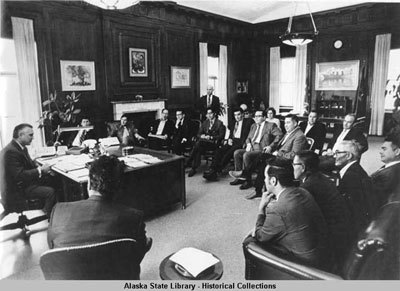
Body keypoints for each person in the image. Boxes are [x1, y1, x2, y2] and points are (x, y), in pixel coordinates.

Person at [47, 155, 152, 264]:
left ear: (89, 184)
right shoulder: (134, 217)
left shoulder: (58, 211)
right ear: (120, 187)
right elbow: (138, 252)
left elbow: (52, 247)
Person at [243, 158, 328, 269]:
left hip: (305, 265)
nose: (264, 180)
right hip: (320, 253)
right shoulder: (303, 191)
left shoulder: (278, 208)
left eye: (265, 177)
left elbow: (261, 237)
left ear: (273, 181)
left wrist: (261, 209)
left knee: (249, 241)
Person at [293, 151, 351, 268]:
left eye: (294, 164)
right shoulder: (319, 178)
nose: (292, 167)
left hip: (329, 240)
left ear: (303, 167)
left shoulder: (308, 186)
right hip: (341, 232)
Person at [247, 114, 308, 199]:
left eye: (288, 123)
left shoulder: (299, 136)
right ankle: (258, 190)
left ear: (295, 123)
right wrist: (270, 147)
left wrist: (278, 154)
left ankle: (247, 174)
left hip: (288, 163)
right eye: (285, 123)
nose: (285, 125)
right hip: (279, 158)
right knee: (262, 162)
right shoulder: (289, 133)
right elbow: (279, 146)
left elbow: (294, 155)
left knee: (262, 158)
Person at [0, 123, 56, 216]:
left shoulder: (19, 147)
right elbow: (19, 175)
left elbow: (25, 165)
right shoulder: (11, 151)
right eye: (30, 135)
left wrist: (36, 165)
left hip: (20, 185)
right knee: (50, 191)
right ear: (20, 135)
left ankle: (53, 213)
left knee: (53, 180)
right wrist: (40, 170)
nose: (33, 138)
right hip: (15, 191)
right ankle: (45, 216)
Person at [229, 110, 282, 190]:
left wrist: (271, 146)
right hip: (251, 147)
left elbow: (280, 135)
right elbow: (248, 138)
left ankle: (248, 180)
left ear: (264, 117)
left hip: (261, 149)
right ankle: (240, 178)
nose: (256, 118)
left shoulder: (271, 125)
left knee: (247, 155)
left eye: (259, 116)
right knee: (237, 152)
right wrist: (248, 143)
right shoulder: (253, 125)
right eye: (255, 116)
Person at [334, 140, 375, 243]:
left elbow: (350, 210)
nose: (335, 156)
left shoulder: (352, 176)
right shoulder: (354, 170)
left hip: (349, 233)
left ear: (348, 156)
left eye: (338, 152)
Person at [203, 108, 254, 181]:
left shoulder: (248, 121)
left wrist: (247, 143)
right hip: (233, 141)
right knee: (219, 151)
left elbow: (251, 133)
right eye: (235, 115)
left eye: (239, 114)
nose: (237, 117)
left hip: (241, 142)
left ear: (242, 114)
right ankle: (212, 168)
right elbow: (231, 133)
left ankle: (216, 171)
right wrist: (229, 139)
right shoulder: (233, 123)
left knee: (229, 153)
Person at [186, 108, 225, 177]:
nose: (209, 115)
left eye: (210, 113)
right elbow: (198, 134)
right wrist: (202, 136)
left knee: (198, 144)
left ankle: (189, 162)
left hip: (214, 144)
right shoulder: (205, 123)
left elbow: (221, 136)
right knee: (198, 147)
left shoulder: (219, 123)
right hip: (204, 143)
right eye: (207, 114)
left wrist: (211, 137)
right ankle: (193, 168)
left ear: (214, 114)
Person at [370, 133, 400, 208]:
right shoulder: (390, 168)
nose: (380, 152)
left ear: (397, 152)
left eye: (384, 149)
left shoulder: (392, 173)